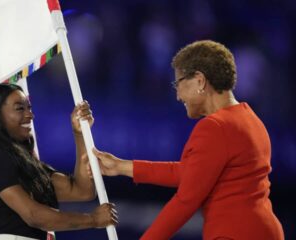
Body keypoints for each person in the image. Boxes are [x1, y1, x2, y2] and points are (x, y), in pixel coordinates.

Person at [93, 40, 284, 240]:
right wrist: (121, 167)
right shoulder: (250, 118)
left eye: (178, 83)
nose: (177, 96)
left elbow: (186, 200)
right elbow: (192, 173)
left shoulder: (215, 127)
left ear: (200, 80)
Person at [0, 83, 118, 240]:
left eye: (29, 107)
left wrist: (79, 132)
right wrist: (92, 219)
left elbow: (82, 191)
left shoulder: (25, 163)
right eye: (20, 108)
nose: (30, 115)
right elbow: (33, 215)